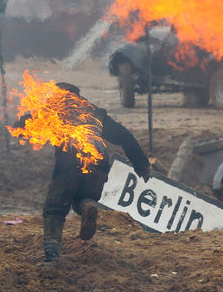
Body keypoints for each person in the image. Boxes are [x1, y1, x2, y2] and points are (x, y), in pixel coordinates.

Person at [19, 82, 152, 268]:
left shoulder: (54, 109)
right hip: (98, 165)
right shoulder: (96, 113)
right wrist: (142, 165)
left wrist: (16, 126)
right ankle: (88, 205)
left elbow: (25, 124)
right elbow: (124, 136)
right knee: (84, 196)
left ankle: (51, 258)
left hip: (68, 166)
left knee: (55, 208)